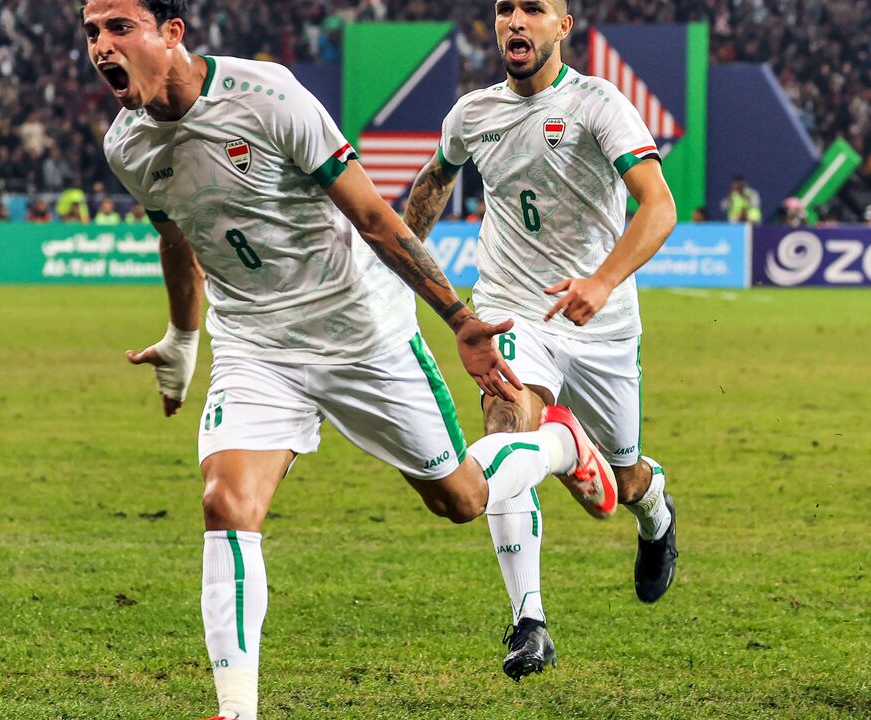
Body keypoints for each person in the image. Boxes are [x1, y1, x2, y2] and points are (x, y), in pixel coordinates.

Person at [82, 2, 618, 718]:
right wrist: (183, 339)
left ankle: (557, 442)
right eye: (91, 31)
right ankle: (234, 708)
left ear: (171, 32)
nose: (100, 46)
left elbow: (373, 216)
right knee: (226, 503)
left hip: (360, 331)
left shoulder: (269, 98)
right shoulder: (127, 145)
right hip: (255, 345)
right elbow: (178, 238)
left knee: (459, 499)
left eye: (119, 27)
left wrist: (458, 319)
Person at [402, 0, 679, 681]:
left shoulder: (599, 103)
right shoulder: (473, 114)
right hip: (511, 311)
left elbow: (659, 205)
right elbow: (433, 182)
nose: (515, 22)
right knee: (502, 428)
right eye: (504, 10)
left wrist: (604, 280)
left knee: (623, 477)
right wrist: (394, 266)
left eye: (534, 9)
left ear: (563, 27)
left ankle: (655, 513)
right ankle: (531, 620)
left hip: (599, 325)